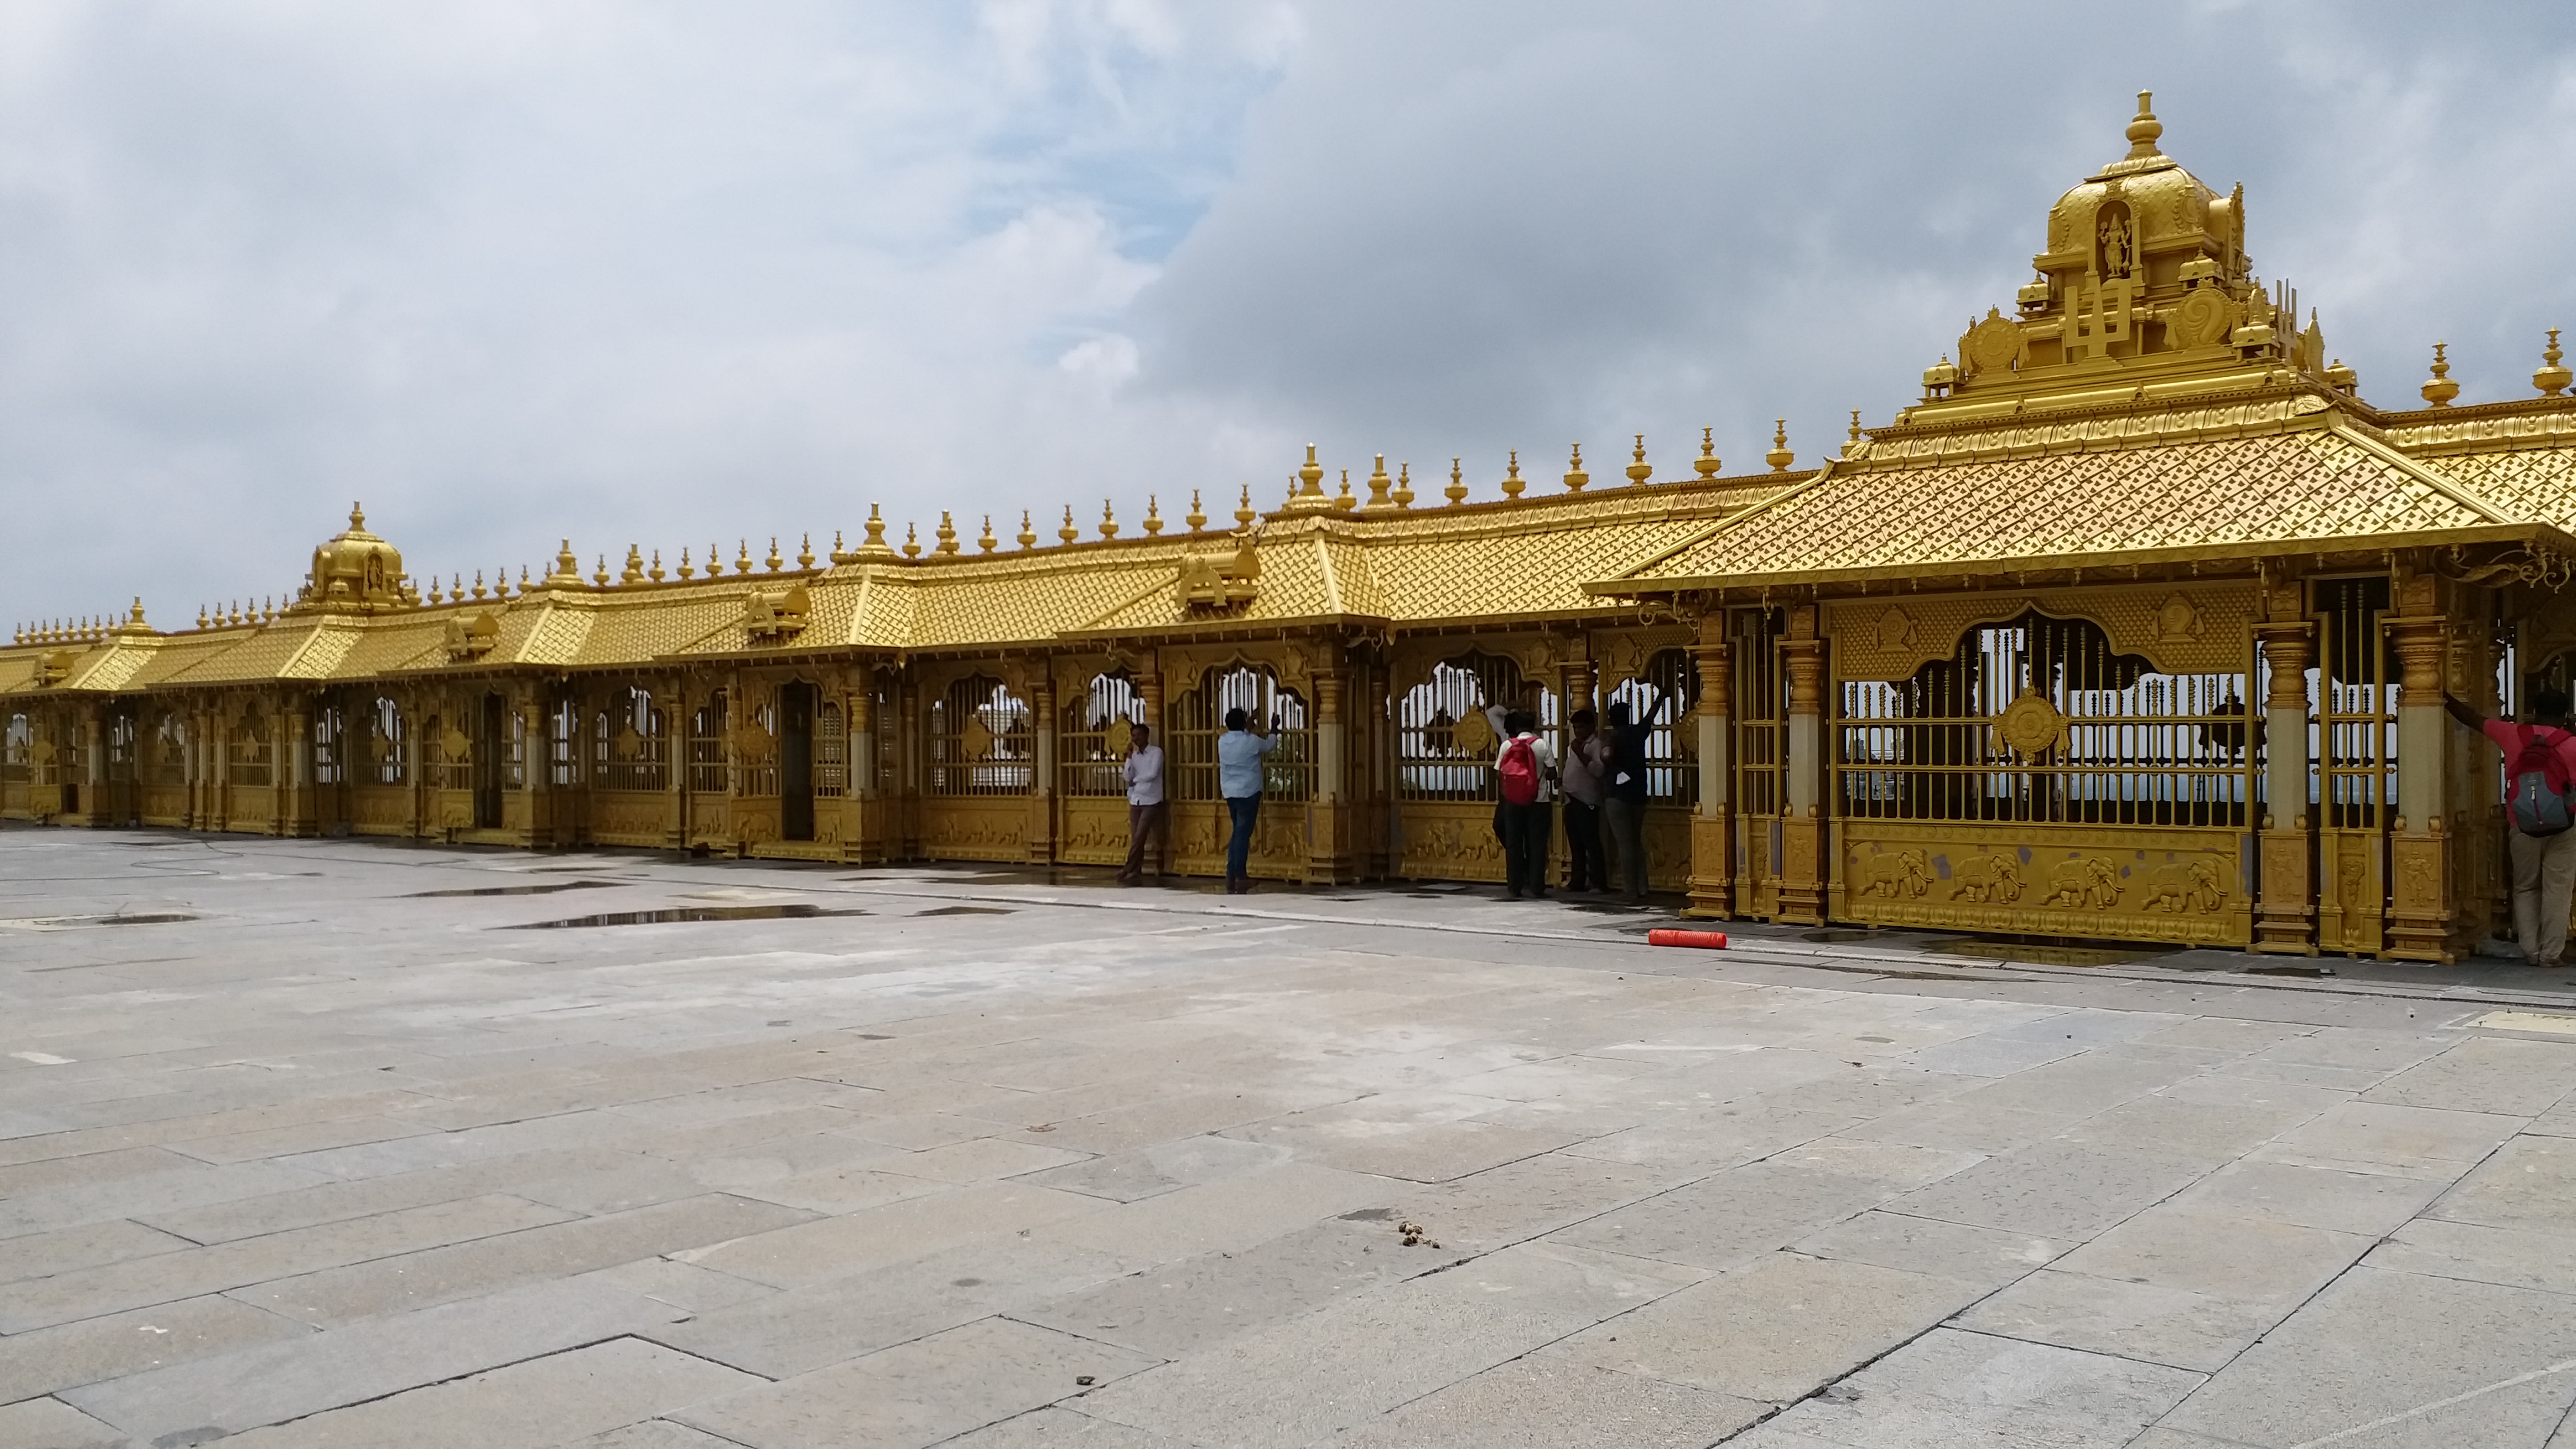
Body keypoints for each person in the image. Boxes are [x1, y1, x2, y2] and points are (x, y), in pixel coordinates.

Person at [2447, 686, 2576, 966]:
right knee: (2559, 888)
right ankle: (2551, 954)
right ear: (2565, 715)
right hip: (2565, 826)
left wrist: (2442, 695)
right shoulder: (2572, 744)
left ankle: (2530, 951)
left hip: (2522, 823)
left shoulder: (2512, 733)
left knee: (2525, 886)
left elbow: (2472, 718)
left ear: (2534, 712)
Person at [1481, 701, 1557, 899]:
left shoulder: (1507, 745)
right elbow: (1552, 773)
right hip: (1538, 801)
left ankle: (1514, 887)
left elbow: (1499, 773)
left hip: (1513, 802)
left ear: (1516, 727)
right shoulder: (1542, 744)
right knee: (1537, 844)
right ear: (1533, 726)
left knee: (1514, 844)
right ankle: (1537, 887)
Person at [1216, 705, 1276, 894]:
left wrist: (1248, 721)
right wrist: (1274, 728)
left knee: (1238, 832)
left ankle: (1231, 874)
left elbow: (1242, 737)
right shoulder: (1251, 741)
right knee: (1242, 834)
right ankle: (1240, 875)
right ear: (1243, 723)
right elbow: (1269, 746)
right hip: (1249, 792)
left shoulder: (1223, 741)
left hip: (1230, 791)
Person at [1601, 701, 1651, 904]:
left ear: (1611, 719)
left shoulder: (1614, 737)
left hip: (1618, 795)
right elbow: (1649, 717)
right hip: (1639, 793)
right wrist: (1661, 698)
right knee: (1636, 841)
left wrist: (1607, 761)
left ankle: (1630, 890)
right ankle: (1643, 887)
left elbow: (1607, 756)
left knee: (1624, 843)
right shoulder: (1639, 733)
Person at [1558, 707, 1610, 892]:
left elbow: (1598, 771)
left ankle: (1599, 882)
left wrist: (1580, 753)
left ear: (1591, 726)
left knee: (1591, 843)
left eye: (1581, 727)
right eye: (1575, 728)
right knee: (1576, 844)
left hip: (1586, 801)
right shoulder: (1577, 745)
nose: (1578, 731)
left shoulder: (1595, 745)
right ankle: (1577, 881)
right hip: (1571, 799)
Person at [1117, 721, 1165, 886]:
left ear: (1146, 735)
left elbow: (1152, 774)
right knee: (1136, 837)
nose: (1136, 739)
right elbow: (1126, 777)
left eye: (1138, 735)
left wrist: (1136, 780)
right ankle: (1136, 870)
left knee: (1140, 836)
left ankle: (1128, 867)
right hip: (1136, 798)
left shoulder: (1156, 753)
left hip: (1151, 799)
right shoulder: (1135, 757)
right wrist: (1129, 759)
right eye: (1134, 736)